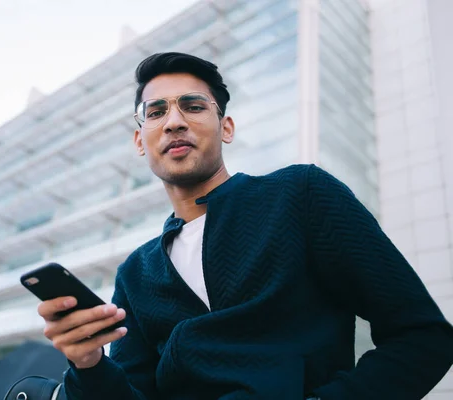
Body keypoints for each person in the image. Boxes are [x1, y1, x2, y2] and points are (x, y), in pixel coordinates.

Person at [36, 52, 453, 399]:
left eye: (194, 106)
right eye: (156, 111)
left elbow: (422, 337)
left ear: (227, 127)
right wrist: (87, 365)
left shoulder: (300, 195)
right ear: (140, 140)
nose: (174, 121)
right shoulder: (136, 273)